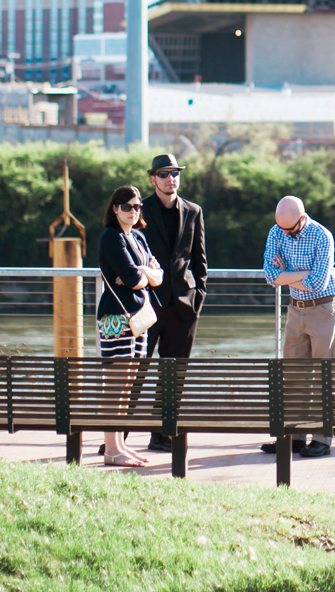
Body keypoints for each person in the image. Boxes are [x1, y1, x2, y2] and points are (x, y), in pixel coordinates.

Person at [257, 195, 335, 459]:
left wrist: (288, 273)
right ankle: (293, 437)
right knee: (293, 375)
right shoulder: (277, 231)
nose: (285, 233)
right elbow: (270, 276)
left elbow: (318, 283)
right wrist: (303, 274)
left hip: (324, 309)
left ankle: (322, 438)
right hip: (295, 310)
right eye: (281, 229)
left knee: (325, 373)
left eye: (290, 229)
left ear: (302, 219)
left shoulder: (322, 236)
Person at [137, 153, 207, 453]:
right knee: (134, 372)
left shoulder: (193, 211)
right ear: (153, 179)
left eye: (175, 173)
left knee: (173, 375)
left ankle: (161, 435)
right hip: (145, 305)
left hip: (182, 307)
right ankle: (117, 438)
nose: (170, 178)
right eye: (164, 174)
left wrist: (197, 298)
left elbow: (200, 260)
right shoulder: (138, 211)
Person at [95, 184, 162, 466]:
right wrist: (141, 274)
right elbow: (134, 281)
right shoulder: (111, 238)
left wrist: (142, 271)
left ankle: (120, 444)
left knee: (128, 384)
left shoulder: (138, 238)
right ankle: (111, 449)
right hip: (116, 318)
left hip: (138, 318)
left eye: (137, 207)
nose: (133, 212)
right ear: (115, 209)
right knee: (115, 384)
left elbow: (157, 276)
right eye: (126, 207)